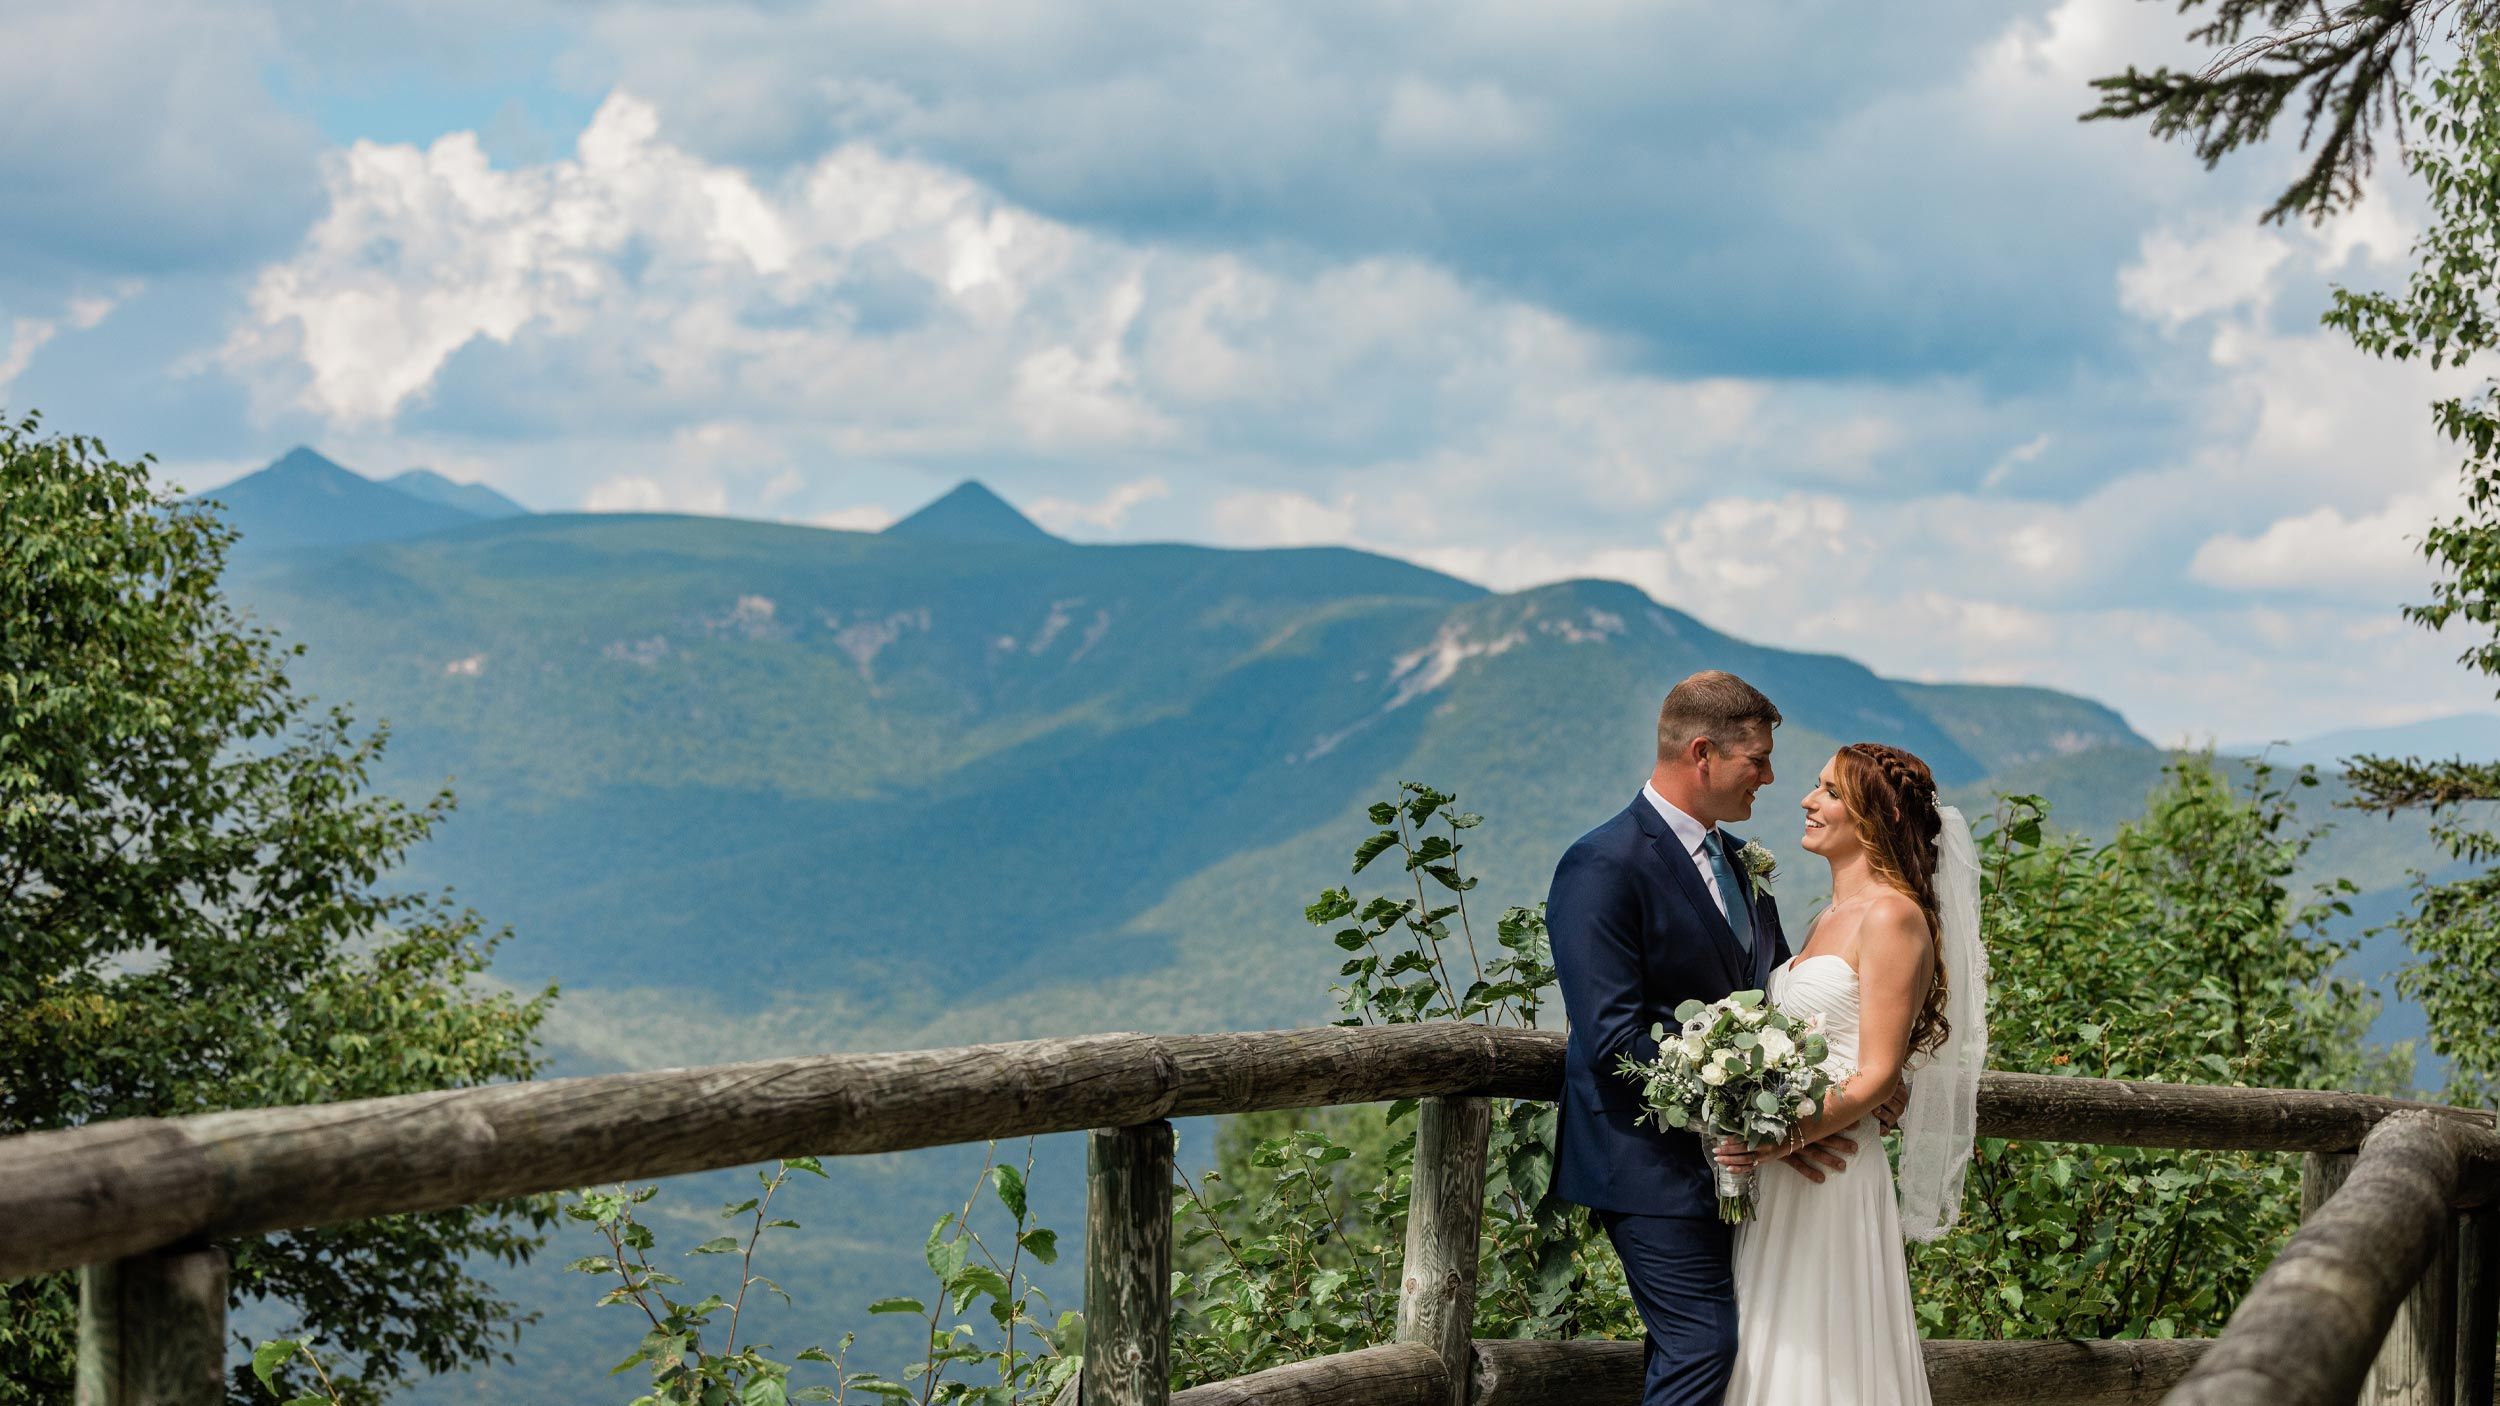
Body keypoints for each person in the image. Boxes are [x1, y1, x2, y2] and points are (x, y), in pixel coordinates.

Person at [1548, 670, 1906, 1406]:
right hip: (1645, 1164)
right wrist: (1748, 1117)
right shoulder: (1603, 864)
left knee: (1748, 1349)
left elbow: (1781, 1003)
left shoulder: (1743, 864)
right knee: (1704, 1345)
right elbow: (1612, 1036)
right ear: (1703, 754)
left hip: (1749, 1171)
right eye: (1759, 761)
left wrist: (1834, 1095)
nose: (1772, 779)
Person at [1715, 742, 1989, 1406]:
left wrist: (1778, 1140)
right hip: (1782, 1179)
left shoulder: (1892, 916)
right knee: (1766, 1355)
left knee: (1824, 1368)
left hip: (1828, 1174)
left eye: (1830, 792)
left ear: (1880, 815)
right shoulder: (1823, 920)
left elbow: (1876, 1074)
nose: (1808, 801)